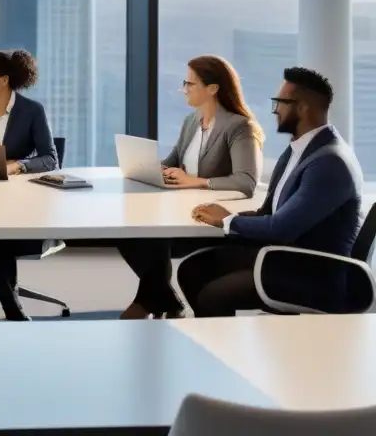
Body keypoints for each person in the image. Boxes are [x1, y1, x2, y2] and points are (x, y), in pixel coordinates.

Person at [177, 67, 363, 317]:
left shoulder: (329, 162)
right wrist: (225, 217)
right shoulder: (299, 150)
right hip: (286, 257)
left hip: (313, 274)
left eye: (280, 103)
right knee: (193, 269)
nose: (275, 110)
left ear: (302, 107)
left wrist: (228, 220)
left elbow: (281, 227)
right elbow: (270, 212)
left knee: (214, 294)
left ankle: (222, 354)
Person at [116, 55, 263, 319]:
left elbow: (246, 181)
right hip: (180, 211)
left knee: (153, 238)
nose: (184, 89)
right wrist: (152, 168)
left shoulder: (239, 126)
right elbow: (173, 162)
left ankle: (149, 302)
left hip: (209, 219)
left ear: (213, 88)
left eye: (190, 84)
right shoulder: (192, 122)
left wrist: (197, 182)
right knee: (128, 233)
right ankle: (167, 301)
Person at [0, 50, 59, 321]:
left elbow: (51, 159)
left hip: (19, 203)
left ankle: (11, 306)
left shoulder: (31, 111)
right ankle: (11, 303)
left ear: (3, 80)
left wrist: (19, 165)